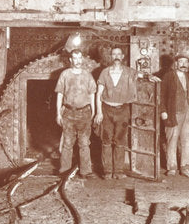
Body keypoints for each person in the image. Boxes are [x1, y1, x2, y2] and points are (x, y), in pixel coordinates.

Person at [95, 45, 139, 179]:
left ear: (122, 57)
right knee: (106, 140)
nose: (116, 57)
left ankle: (118, 171)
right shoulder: (104, 72)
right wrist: (98, 112)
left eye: (119, 54)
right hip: (107, 109)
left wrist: (151, 77)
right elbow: (98, 93)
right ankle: (108, 171)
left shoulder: (129, 72)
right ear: (111, 56)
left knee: (120, 140)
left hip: (123, 110)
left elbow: (142, 75)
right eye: (114, 54)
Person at [54, 49, 97, 177]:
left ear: (82, 59)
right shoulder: (65, 74)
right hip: (68, 113)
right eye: (75, 58)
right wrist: (58, 113)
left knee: (84, 143)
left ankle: (85, 171)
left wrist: (93, 112)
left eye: (79, 58)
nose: (77, 61)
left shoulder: (87, 75)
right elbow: (60, 95)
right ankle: (64, 170)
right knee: (67, 143)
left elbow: (92, 95)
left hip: (84, 113)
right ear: (70, 60)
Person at [160, 54, 189, 177]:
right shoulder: (168, 76)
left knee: (186, 140)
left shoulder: (187, 76)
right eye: (181, 62)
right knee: (172, 140)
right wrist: (163, 111)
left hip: (187, 112)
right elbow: (161, 95)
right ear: (176, 63)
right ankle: (172, 167)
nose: (183, 64)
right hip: (173, 113)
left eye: (185, 62)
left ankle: (186, 167)